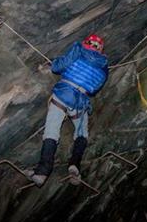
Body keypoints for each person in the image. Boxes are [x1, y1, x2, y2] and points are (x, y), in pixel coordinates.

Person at [26, 34, 108, 187]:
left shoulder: (79, 48)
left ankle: (42, 172)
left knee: (51, 131)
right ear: (100, 48)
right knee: (82, 133)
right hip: (81, 101)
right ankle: (75, 164)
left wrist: (53, 64)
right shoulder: (104, 64)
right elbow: (95, 88)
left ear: (87, 42)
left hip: (63, 94)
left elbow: (58, 67)